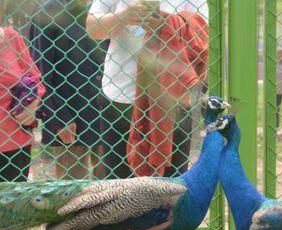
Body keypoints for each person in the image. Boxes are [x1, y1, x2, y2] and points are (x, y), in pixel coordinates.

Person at [87, 0, 209, 179]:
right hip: (120, 98)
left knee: (170, 186)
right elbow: (92, 28)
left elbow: (202, 34)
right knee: (120, 187)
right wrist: (124, 16)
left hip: (172, 100)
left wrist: (168, 24)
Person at [29, 0, 107, 180]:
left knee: (109, 183)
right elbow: (40, 71)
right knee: (71, 187)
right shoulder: (49, 9)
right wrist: (58, 115)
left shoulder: (102, 6)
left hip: (106, 107)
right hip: (69, 112)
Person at [0, 6, 45, 182]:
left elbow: (36, 79)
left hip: (16, 139)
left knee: (13, 205)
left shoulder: (12, 37)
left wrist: (31, 107)